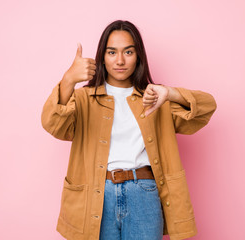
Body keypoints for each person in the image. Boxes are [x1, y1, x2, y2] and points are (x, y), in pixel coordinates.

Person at [41, 20, 217, 240]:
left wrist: (169, 93)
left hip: (143, 194)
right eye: (112, 52)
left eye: (129, 52)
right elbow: (52, 123)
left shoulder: (154, 97)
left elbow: (207, 107)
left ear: (138, 56)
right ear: (102, 58)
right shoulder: (84, 99)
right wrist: (68, 80)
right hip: (97, 196)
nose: (120, 60)